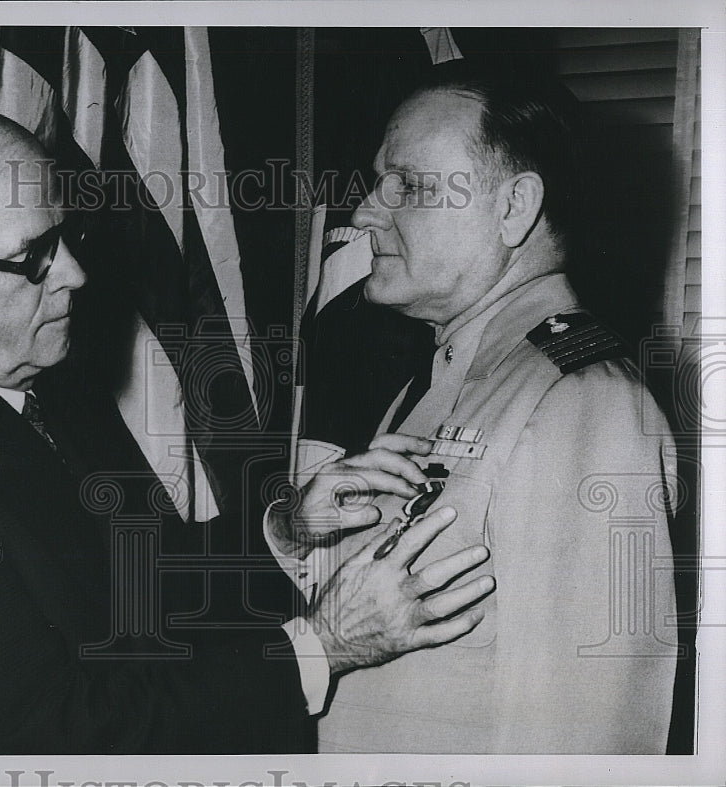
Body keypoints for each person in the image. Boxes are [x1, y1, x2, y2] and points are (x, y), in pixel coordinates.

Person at [0, 100, 495, 754]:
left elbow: (147, 578)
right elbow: (57, 739)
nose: (75, 274)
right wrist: (324, 644)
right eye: (32, 258)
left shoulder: (42, 383)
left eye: (64, 236)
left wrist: (286, 530)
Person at [268, 64, 679, 753]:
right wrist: (301, 528)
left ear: (513, 207)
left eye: (409, 185)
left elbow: (584, 741)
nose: (366, 211)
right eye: (378, 182)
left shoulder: (583, 402)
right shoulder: (440, 380)